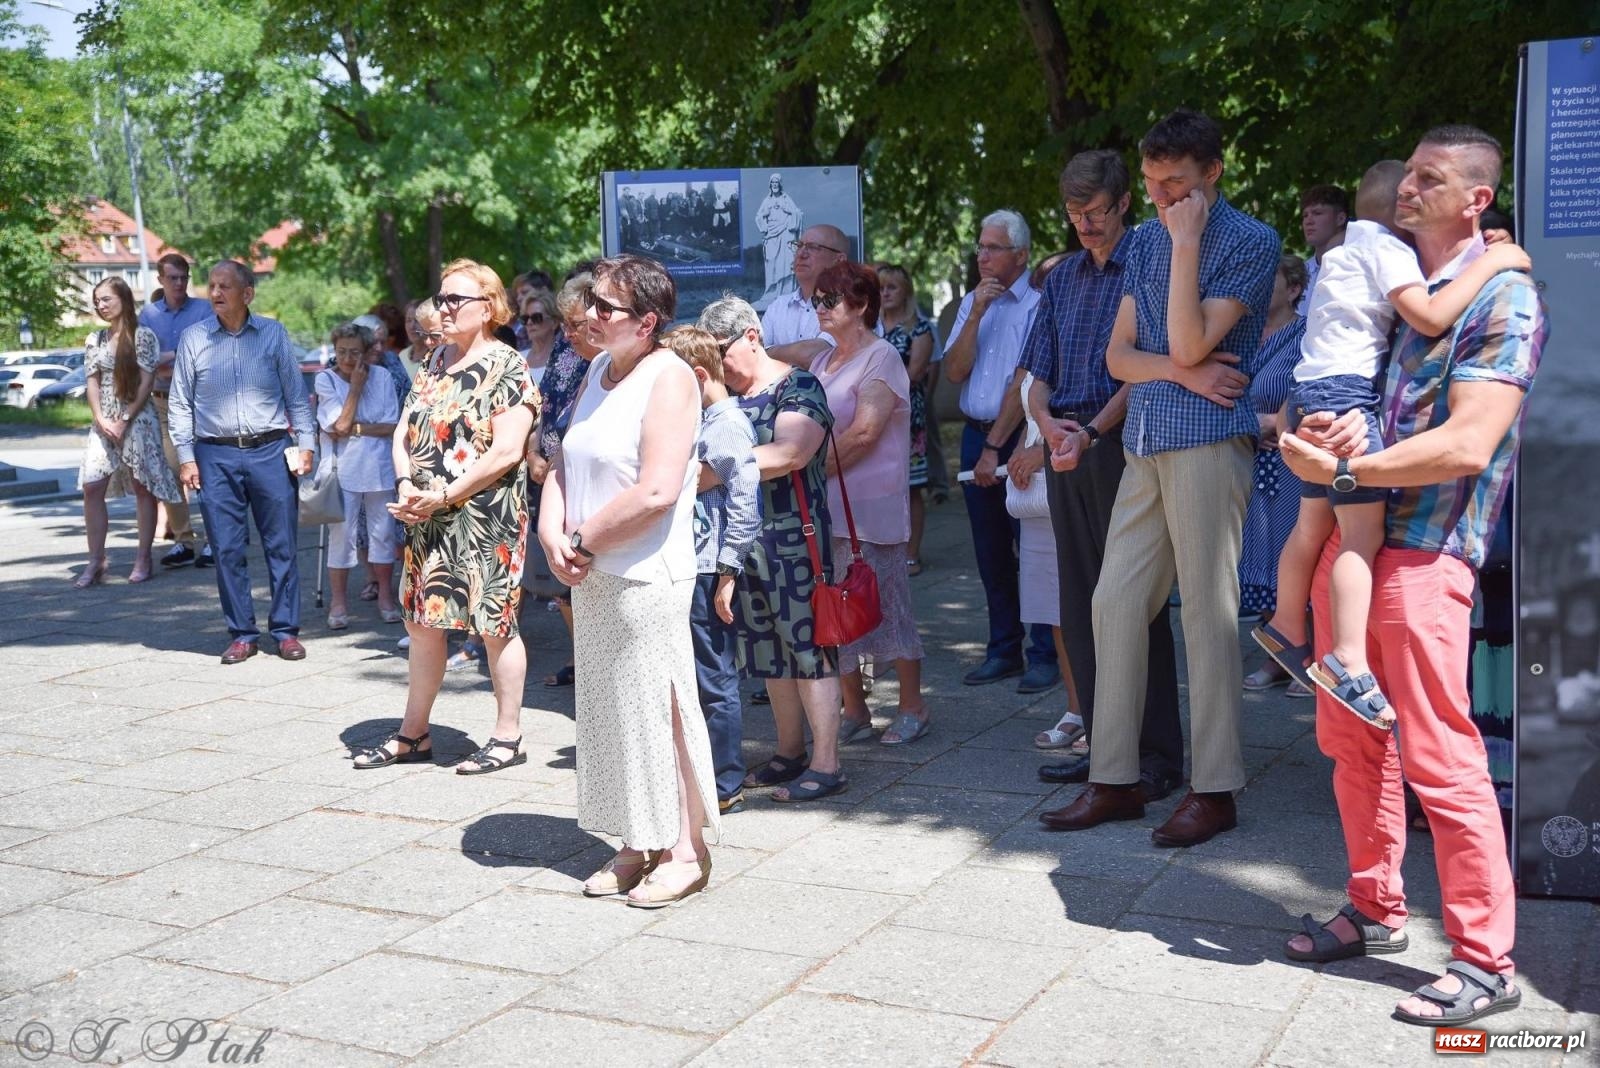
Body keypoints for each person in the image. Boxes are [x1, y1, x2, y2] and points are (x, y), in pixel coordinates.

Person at [1278, 124, 1547, 1027]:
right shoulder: (1395, 275)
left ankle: (1485, 960)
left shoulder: (1504, 294)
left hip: (1425, 551)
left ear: (1477, 198)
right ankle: (1375, 908)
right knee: (1352, 745)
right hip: (1350, 544)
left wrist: (1348, 471)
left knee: (1440, 756)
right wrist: (1333, 436)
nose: (1409, 188)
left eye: (1431, 179)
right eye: (1409, 174)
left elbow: (1469, 442)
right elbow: (1347, 389)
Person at [1047, 109, 1279, 845]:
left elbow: (1183, 337)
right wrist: (1179, 369)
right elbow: (1121, 359)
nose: (1156, 197)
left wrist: (1185, 245)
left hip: (1211, 445)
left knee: (1207, 618)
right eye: (1149, 183)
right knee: (1114, 604)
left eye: (1173, 183)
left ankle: (1215, 790)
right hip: (1146, 442)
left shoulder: (1249, 240)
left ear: (1212, 172)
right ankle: (1113, 777)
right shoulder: (1142, 238)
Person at [1254, 161, 1531, 730]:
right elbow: (1429, 316)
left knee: (1309, 527)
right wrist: (1494, 262)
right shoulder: (1388, 248)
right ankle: (1348, 660)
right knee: (1361, 535)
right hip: (1347, 395)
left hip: (1310, 389)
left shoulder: (1341, 249)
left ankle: (1284, 625)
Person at [538, 255, 719, 907]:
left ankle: (685, 850)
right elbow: (563, 458)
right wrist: (551, 534)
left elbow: (659, 489)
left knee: (659, 711)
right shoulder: (595, 369)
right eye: (590, 301)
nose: (589, 315)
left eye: (605, 307)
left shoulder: (669, 377)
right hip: (591, 572)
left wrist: (581, 540)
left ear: (647, 322)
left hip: (645, 575)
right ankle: (636, 839)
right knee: (610, 714)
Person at [1019, 150, 1187, 802]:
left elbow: (1144, 367)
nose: (1084, 224)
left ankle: (1157, 756)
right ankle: (1102, 746)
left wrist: (1088, 432)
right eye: (1073, 212)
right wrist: (1048, 423)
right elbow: (1037, 374)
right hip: (1066, 445)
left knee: (1135, 603)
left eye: (1095, 212)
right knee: (1081, 603)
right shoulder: (1060, 280)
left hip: (1122, 446)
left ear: (1124, 205)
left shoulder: (1146, 269)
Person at [352, 258, 539, 774]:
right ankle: (414, 735)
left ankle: (507, 736)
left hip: (485, 518)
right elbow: (403, 429)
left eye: (457, 299)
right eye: (442, 297)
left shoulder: (509, 365)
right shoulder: (434, 361)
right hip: (426, 516)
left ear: (489, 308)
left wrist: (446, 494)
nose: (445, 307)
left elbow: (506, 453)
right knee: (422, 625)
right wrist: (408, 483)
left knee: (495, 624)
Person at [698, 295, 845, 802]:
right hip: (741, 543)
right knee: (767, 654)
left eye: (721, 350)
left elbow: (790, 453)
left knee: (809, 650)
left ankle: (827, 764)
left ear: (752, 336)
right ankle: (789, 753)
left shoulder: (798, 384)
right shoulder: (723, 399)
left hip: (794, 537)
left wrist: (707, 472)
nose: (715, 363)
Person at [169, 260, 316, 664]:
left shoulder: (273, 333)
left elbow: (296, 396)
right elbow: (180, 403)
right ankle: (242, 634)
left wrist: (307, 444)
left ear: (247, 293)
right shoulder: (194, 338)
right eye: (212, 286)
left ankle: (285, 631)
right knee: (226, 548)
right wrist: (186, 458)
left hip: (270, 449)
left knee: (282, 545)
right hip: (213, 454)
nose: (215, 293)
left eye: (224, 287)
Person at [810, 263, 927, 747]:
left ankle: (912, 706)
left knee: (889, 605)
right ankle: (855, 710)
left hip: (870, 507)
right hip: (829, 507)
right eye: (816, 299)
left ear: (860, 306)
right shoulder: (823, 360)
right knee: (834, 606)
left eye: (829, 300)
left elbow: (863, 432)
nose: (818, 308)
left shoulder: (882, 357)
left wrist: (809, 469)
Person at [943, 209, 1058, 694]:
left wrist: (996, 447)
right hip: (976, 433)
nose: (983, 257)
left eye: (993, 248)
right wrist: (974, 316)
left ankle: (1046, 654)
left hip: (1018, 437)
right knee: (990, 551)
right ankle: (1002, 648)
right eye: (980, 248)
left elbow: (1024, 382)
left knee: (1032, 547)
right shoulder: (973, 301)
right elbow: (953, 372)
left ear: (1021, 254)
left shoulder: (1038, 305)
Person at [667, 326, 761, 814]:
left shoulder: (726, 424)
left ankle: (727, 782)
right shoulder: (707, 420)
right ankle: (706, 773)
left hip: (709, 568)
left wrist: (727, 572)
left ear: (698, 376)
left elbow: (746, 503)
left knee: (715, 677)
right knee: (699, 674)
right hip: (693, 563)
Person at [75, 277, 184, 587]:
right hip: (103, 422)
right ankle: (96, 560)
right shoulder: (94, 339)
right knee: (92, 485)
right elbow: (92, 383)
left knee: (142, 487)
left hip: (136, 417)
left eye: (106, 299)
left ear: (123, 298)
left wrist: (123, 419)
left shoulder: (143, 337)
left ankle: (143, 557)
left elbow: (147, 383)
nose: (100, 305)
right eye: (97, 301)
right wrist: (101, 419)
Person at [1239, 255, 1313, 693]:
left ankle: (1309, 654)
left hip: (1288, 462)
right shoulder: (1241, 334)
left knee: (1292, 552)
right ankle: (1276, 657)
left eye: (1270, 279)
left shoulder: (1307, 335)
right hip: (1247, 458)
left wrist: (1278, 422)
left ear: (1294, 289)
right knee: (1257, 556)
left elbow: (1309, 387)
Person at [314, 322, 401, 630]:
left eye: (354, 352)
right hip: (342, 470)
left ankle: (385, 597)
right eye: (341, 352)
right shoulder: (325, 380)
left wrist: (355, 427)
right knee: (342, 537)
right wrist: (354, 389)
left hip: (379, 468)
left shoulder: (384, 377)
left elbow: (391, 425)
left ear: (367, 353)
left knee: (383, 534)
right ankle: (339, 603)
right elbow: (337, 427)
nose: (347, 359)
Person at [138, 252, 211, 568]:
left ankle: (214, 540)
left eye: (184, 278)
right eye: (173, 278)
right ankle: (183, 540)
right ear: (160, 280)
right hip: (163, 402)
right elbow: (142, 360)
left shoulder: (204, 310)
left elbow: (206, 354)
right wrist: (171, 359)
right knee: (171, 469)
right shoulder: (149, 316)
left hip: (201, 402)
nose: (179, 283)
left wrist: (167, 358)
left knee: (206, 472)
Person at [876, 263, 934, 573]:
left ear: (906, 292)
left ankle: (912, 552)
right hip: (873, 415)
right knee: (881, 485)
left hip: (906, 417)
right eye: (881, 287)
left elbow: (912, 375)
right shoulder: (871, 327)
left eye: (892, 287)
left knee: (911, 486)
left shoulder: (919, 329)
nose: (885, 293)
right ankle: (886, 549)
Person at [761, 223, 849, 364]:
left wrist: (766, 353)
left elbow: (812, 356)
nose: (801, 254)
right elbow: (751, 358)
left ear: (839, 260)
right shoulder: (778, 306)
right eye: (799, 245)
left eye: (813, 247)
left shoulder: (849, 306)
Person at [1297, 184, 1349, 315]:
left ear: (1340, 219)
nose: (1308, 221)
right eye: (1305, 215)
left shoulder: (1356, 265)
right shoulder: (1299, 273)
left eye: (1317, 213)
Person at [757, 173, 803, 299]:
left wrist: (787, 209)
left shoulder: (786, 199)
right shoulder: (767, 201)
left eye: (776, 183)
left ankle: (786, 291)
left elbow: (797, 213)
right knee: (772, 263)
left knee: (786, 262)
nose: (774, 185)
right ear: (770, 185)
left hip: (786, 234)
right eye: (772, 183)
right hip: (772, 235)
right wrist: (765, 220)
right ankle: (771, 292)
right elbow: (759, 217)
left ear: (780, 184)